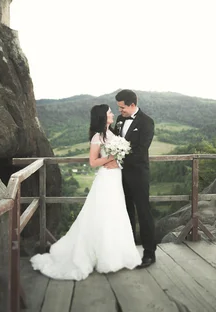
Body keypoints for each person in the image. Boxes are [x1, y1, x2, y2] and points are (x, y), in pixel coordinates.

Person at [30, 104, 141, 280]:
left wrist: (118, 160)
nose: (112, 114)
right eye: (109, 112)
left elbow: (118, 157)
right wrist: (111, 157)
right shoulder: (98, 136)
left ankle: (115, 254)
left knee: (115, 214)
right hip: (105, 180)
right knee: (102, 215)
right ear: (102, 116)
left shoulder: (111, 133)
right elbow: (93, 162)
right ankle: (100, 256)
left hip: (115, 178)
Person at [112, 89, 157, 268]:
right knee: (126, 212)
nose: (120, 111)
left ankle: (149, 253)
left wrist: (118, 159)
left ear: (132, 105)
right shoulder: (120, 119)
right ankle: (129, 251)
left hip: (138, 174)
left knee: (143, 212)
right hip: (120, 175)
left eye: (122, 107)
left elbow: (141, 150)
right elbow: (116, 140)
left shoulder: (147, 122)